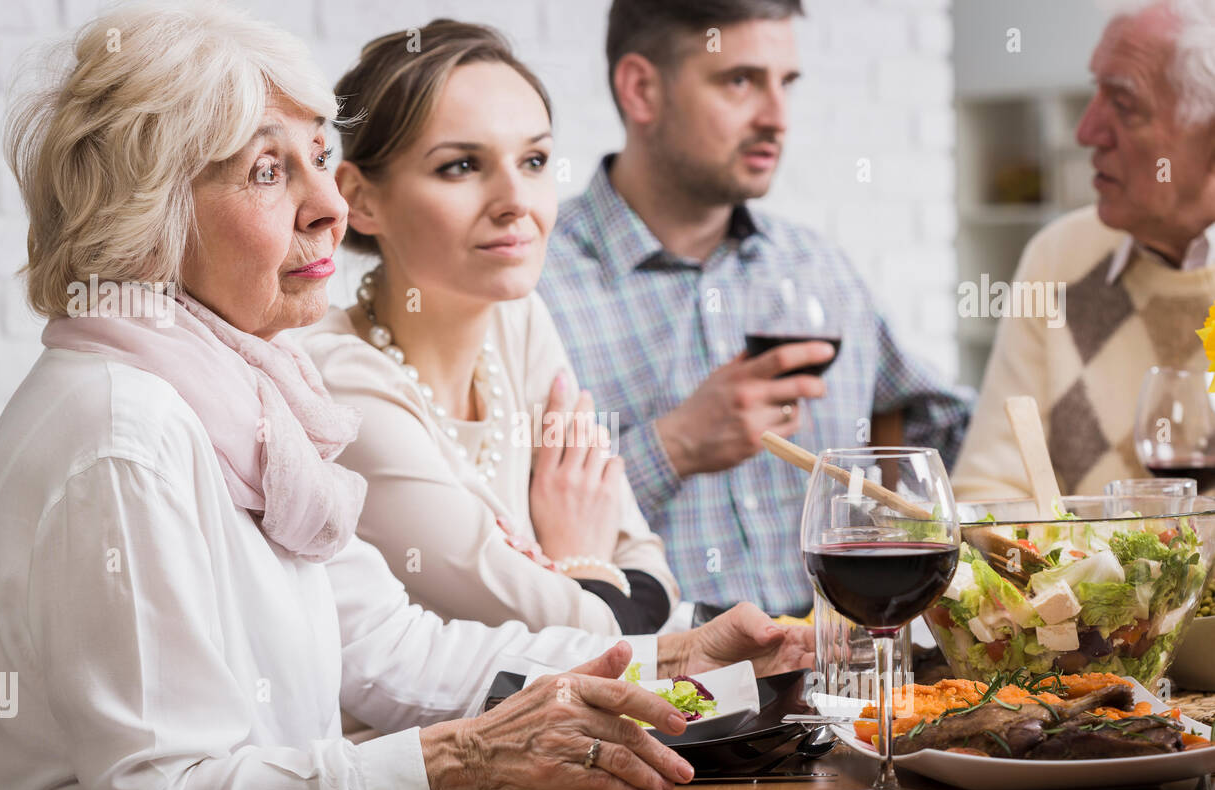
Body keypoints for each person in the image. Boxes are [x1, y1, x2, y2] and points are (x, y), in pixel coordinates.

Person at [0, 1, 813, 790]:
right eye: (268, 171)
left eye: (320, 157)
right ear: (146, 213)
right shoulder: (123, 435)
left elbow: (392, 651)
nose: (329, 206)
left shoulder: (247, 391)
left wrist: (671, 656)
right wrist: (456, 759)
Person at [537, 0, 972, 617]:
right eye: (739, 81)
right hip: (663, 692)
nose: (777, 118)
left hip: (836, 678)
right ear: (641, 90)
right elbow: (502, 538)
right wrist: (675, 445)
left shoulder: (817, 267)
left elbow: (936, 429)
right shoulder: (533, 287)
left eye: (785, 84)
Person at [298, 21, 679, 636]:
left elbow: (649, 565)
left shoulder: (518, 320)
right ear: (360, 200)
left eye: (534, 160)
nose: (515, 200)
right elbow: (559, 625)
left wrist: (587, 580)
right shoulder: (335, 380)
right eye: (461, 166)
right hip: (429, 734)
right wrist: (581, 558)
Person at [952, 0, 1215, 500]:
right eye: (1095, 91)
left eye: (1124, 103)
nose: (1086, 131)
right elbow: (985, 496)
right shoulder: (1058, 256)